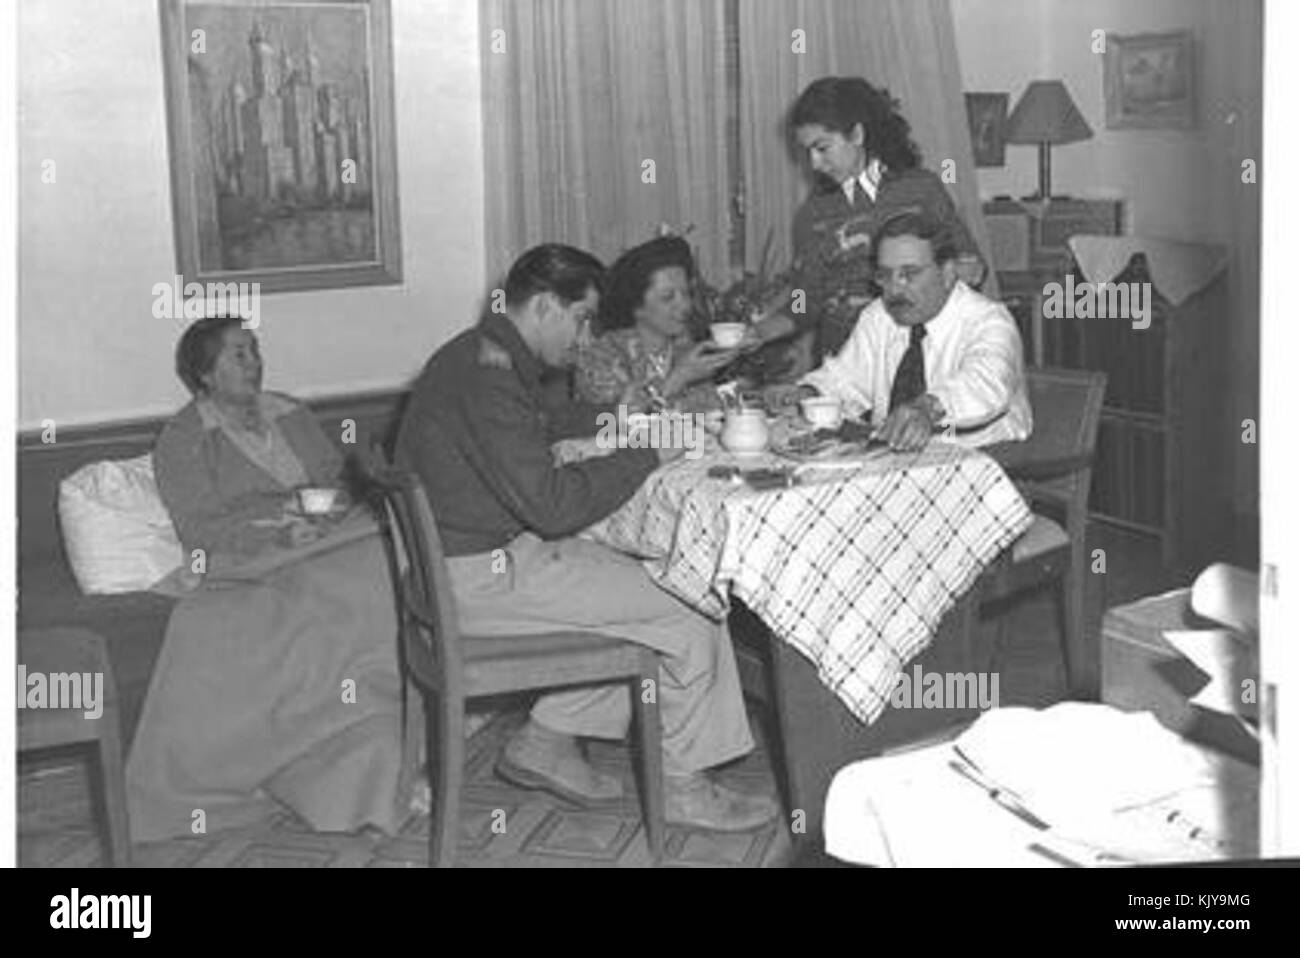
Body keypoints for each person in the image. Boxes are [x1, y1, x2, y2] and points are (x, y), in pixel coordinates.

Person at [395, 244, 778, 832]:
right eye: (579, 319)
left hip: (463, 563)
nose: (582, 338)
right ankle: (684, 788)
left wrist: (614, 418)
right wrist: (645, 452)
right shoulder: (487, 379)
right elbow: (553, 507)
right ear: (546, 304)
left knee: (630, 575)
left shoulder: (478, 355)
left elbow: (540, 427)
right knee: (690, 600)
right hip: (478, 577)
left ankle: (545, 741)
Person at [126, 317, 420, 841]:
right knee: (325, 591)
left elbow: (338, 478)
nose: (254, 362)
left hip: (326, 536)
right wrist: (278, 530)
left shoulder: (290, 412)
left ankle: (384, 714)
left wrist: (329, 509)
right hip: (249, 555)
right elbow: (199, 526)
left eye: (255, 349)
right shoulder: (185, 437)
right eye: (238, 354)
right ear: (204, 373)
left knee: (384, 553)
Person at [749, 76, 987, 364]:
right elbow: (805, 300)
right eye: (807, 152)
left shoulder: (921, 190)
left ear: (857, 135)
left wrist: (951, 272)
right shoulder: (812, 215)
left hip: (919, 356)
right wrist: (758, 334)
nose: (814, 163)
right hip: (844, 362)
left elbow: (970, 266)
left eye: (822, 148)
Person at [768, 211, 1031, 452]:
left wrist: (927, 408)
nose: (894, 290)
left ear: (948, 273)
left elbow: (985, 383)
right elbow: (846, 379)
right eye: (885, 275)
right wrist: (809, 393)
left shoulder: (989, 320)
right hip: (896, 464)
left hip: (982, 459)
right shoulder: (879, 315)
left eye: (909, 274)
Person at [574, 236, 737, 412]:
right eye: (668, 297)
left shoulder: (685, 350)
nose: (685, 306)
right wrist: (677, 379)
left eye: (686, 293)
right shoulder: (602, 356)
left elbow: (710, 407)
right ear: (636, 306)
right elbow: (612, 424)